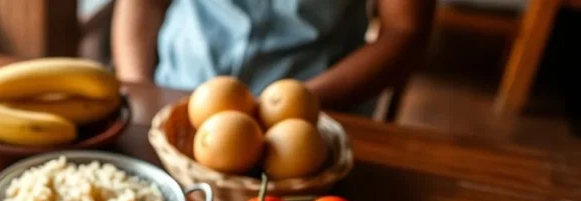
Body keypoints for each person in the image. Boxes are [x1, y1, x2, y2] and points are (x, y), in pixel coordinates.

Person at [112, 0, 435, 113]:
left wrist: (296, 103)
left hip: (317, 115)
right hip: (174, 93)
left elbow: (405, 31)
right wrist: (140, 89)